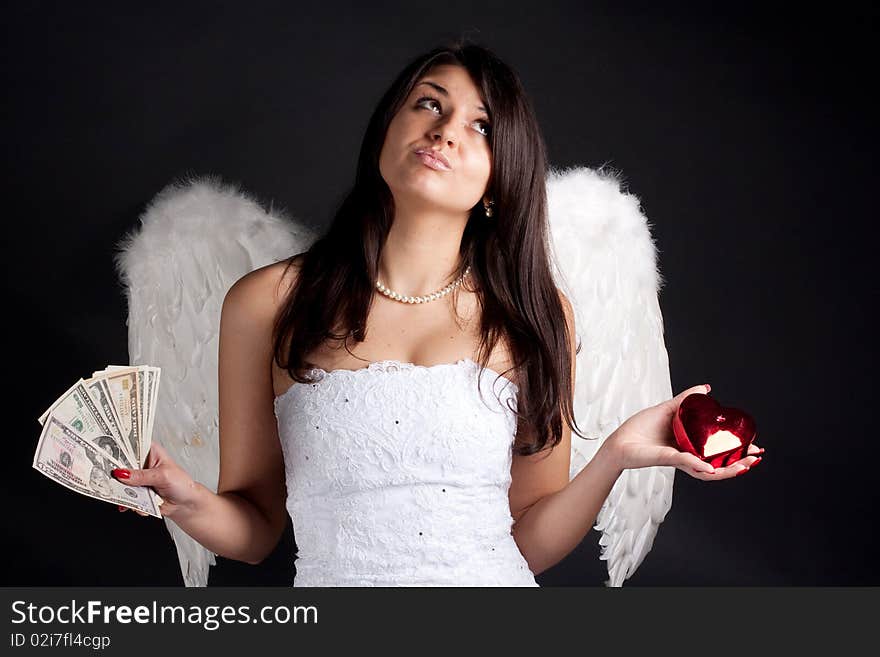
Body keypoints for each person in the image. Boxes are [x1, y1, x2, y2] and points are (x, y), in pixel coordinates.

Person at [113, 40, 765, 584]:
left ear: (496, 182)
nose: (446, 129)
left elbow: (527, 541)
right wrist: (189, 499)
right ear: (386, 133)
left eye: (480, 125)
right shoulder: (266, 302)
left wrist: (617, 453)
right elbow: (254, 530)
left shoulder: (534, 317)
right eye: (429, 102)